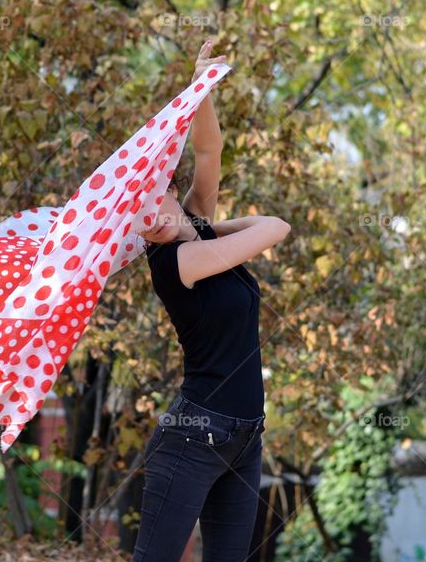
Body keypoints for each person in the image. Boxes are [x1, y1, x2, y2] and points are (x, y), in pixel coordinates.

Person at [132, 40, 291, 562]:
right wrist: (211, 231)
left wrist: (202, 84)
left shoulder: (198, 230)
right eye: (136, 220)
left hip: (245, 437)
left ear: (170, 191)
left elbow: (208, 151)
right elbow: (275, 226)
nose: (148, 217)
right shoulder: (178, 264)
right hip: (192, 439)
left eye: (151, 201)